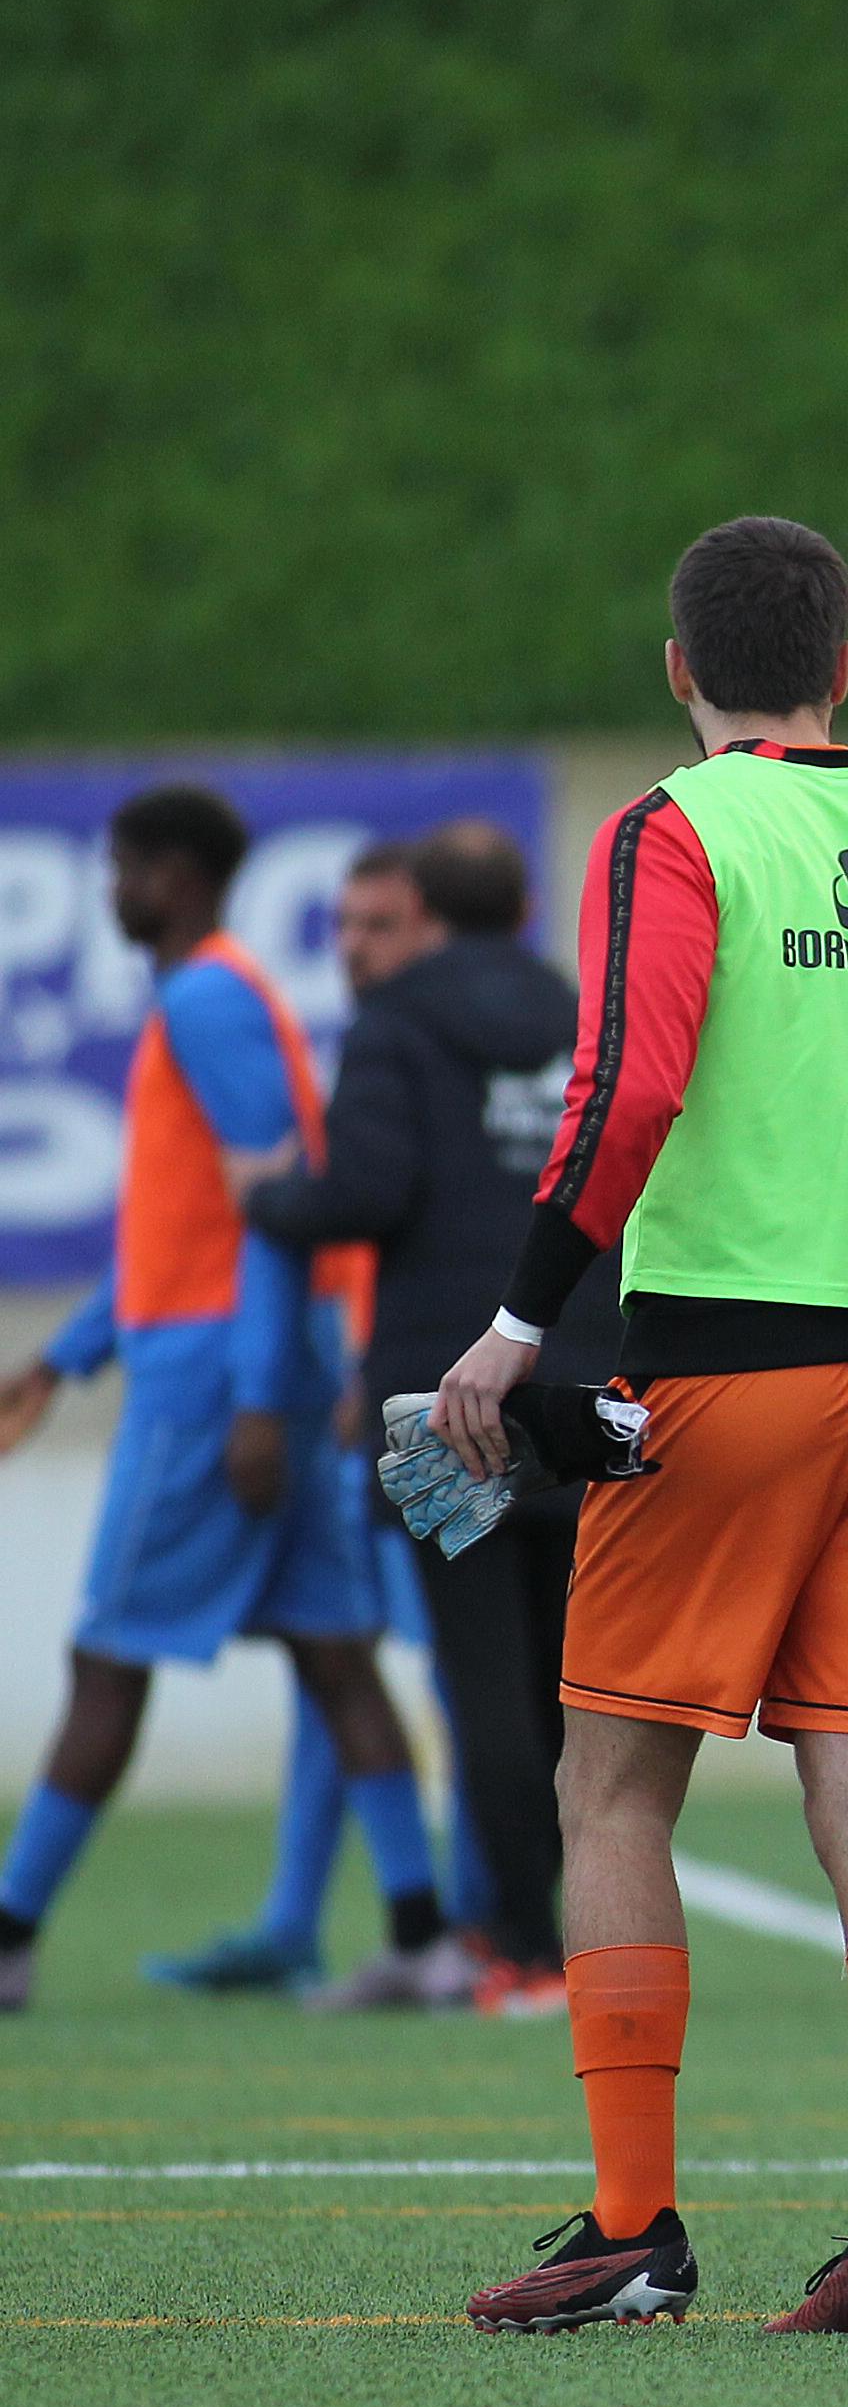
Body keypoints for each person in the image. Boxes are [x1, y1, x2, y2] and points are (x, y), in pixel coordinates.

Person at [449, 516, 848, 2338]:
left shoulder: (673, 826)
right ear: (843, 678)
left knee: (611, 1778)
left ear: (680, 672)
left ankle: (634, 2222)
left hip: (720, 1379)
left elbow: (629, 1081)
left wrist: (512, 1324)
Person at [0, 787, 444, 2016]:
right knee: (336, 1655)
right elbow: (178, 1233)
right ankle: (422, 1934)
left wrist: (256, 1396)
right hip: (233, 1364)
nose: (109, 886)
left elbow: (274, 1209)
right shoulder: (213, 994)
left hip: (212, 1388)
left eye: (127, 865)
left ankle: (10, 1936)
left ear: (180, 874)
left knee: (106, 1657)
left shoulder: (205, 998)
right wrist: (65, 1358)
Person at [242, 821, 622, 2014]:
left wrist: (268, 1199)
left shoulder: (400, 1019)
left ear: (429, 909)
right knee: (570, 1685)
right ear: (521, 903)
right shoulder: (583, 1010)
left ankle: (514, 1939)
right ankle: (560, 1929)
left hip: (444, 1395)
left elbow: (364, 1189)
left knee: (481, 1680)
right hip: (582, 1381)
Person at [141, 838, 446, 1999]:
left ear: (432, 930)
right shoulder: (371, 1048)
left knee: (447, 1664)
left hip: (425, 1403)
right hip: (363, 1394)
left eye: (382, 925)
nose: (356, 950)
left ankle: (476, 1926)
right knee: (344, 1652)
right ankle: (302, 1916)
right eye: (345, 927)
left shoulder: (429, 1043)